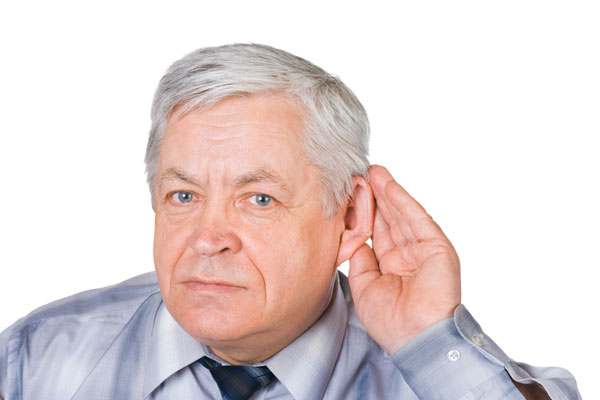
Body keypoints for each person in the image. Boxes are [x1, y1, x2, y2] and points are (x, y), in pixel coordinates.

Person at [0, 44, 580, 400]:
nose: (207, 239)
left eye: (259, 199)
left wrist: (432, 341)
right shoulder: (34, 360)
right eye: (183, 195)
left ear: (349, 218)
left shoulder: (439, 378)